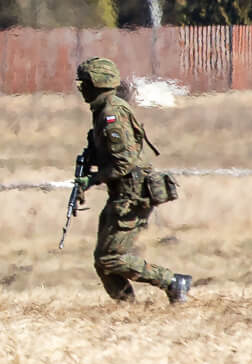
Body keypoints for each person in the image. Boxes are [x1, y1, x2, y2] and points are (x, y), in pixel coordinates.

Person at [73, 57, 191, 304]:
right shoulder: (103, 110)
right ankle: (126, 309)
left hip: (132, 194)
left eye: (84, 83)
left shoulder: (111, 114)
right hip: (122, 193)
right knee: (103, 260)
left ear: (97, 83)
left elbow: (124, 162)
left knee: (110, 258)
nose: (81, 88)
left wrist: (92, 179)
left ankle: (172, 281)